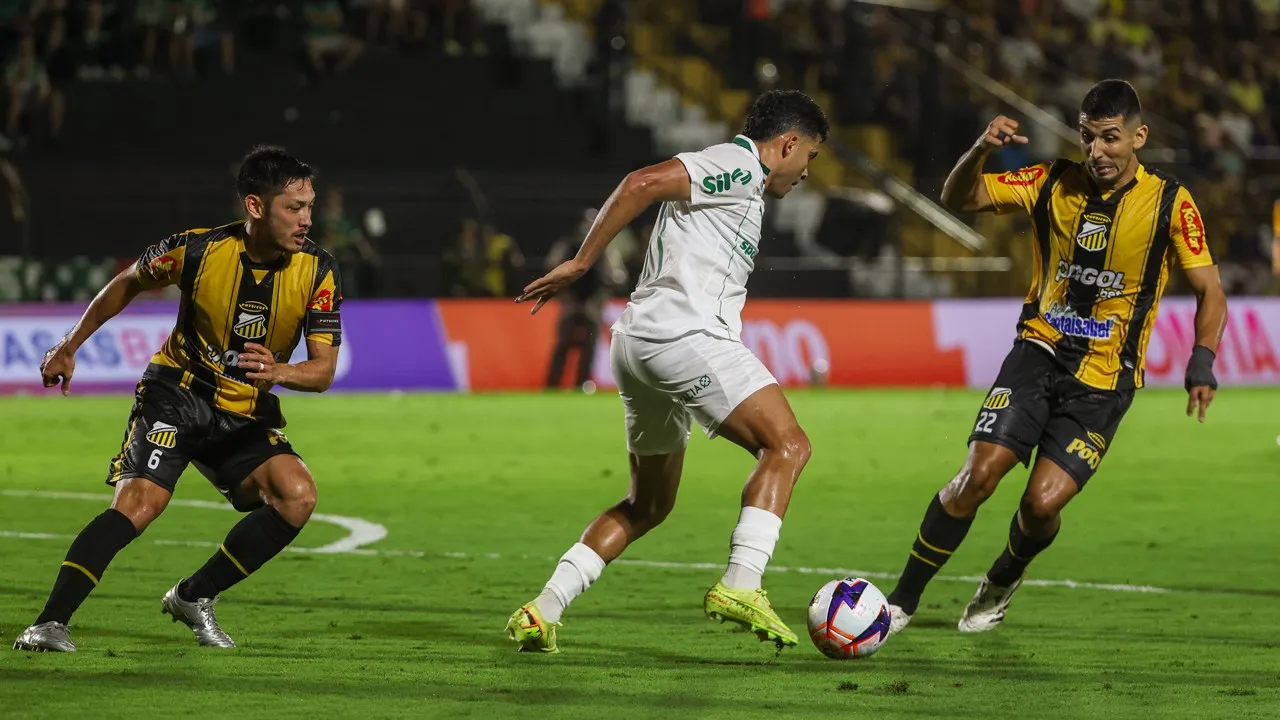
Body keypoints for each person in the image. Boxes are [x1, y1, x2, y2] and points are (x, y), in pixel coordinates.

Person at [885, 79, 1228, 635]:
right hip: (1037, 354)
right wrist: (980, 150)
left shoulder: (1170, 202)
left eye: (1110, 138)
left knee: (1042, 505)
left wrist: (1202, 360)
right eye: (1088, 137)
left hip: (1104, 381)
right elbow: (959, 200)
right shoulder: (1049, 180)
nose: (1097, 151)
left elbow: (1210, 290)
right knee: (976, 476)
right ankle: (901, 600)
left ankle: (1002, 578)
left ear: (1138, 137)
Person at [506, 89, 830, 653]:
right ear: (790, 143)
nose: (807, 172)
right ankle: (742, 583)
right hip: (684, 337)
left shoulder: (743, 184)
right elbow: (641, 183)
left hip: (638, 344)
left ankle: (544, 607)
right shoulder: (738, 164)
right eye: (812, 158)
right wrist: (583, 262)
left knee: (649, 504)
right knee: (788, 447)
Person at [13, 146, 343, 652]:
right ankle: (49, 623)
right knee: (142, 504)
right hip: (178, 392)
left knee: (297, 495)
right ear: (256, 206)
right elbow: (128, 282)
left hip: (242, 409)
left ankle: (194, 596)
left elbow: (322, 372)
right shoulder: (198, 250)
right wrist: (69, 345)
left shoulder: (318, 270)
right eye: (293, 207)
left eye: (309, 207)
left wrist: (278, 370)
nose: (307, 219)